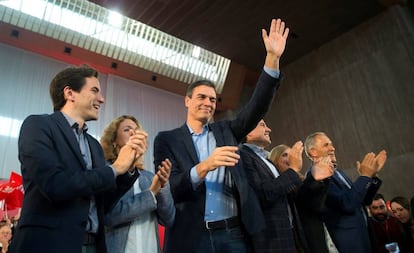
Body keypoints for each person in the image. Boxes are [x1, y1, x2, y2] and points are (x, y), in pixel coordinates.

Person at [153, 18, 289, 253]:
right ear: (187, 101)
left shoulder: (227, 130)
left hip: (234, 234)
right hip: (193, 236)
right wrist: (205, 166)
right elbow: (170, 188)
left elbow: (256, 107)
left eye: (213, 100)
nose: (208, 103)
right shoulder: (167, 139)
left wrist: (272, 60)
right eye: (202, 97)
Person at [8, 65, 147, 253]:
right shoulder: (38, 126)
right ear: (70, 93)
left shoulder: (94, 146)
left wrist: (128, 167)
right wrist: (115, 168)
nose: (102, 99)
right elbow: (54, 184)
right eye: (94, 90)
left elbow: (104, 203)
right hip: (48, 244)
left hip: (91, 245)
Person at [241, 120, 333, 252]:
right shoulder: (243, 156)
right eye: (262, 125)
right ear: (248, 131)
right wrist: (294, 169)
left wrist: (314, 177)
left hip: (292, 237)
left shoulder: (267, 162)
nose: (269, 129)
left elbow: (302, 200)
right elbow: (263, 195)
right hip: (271, 240)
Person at [101, 115, 175, 253]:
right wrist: (151, 194)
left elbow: (168, 219)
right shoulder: (107, 173)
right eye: (127, 129)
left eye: (136, 130)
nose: (133, 133)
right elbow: (109, 217)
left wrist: (163, 187)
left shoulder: (149, 177)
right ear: (114, 141)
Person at [304, 131, 387, 253]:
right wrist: (364, 177)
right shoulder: (316, 177)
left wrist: (371, 176)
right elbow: (347, 204)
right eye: (326, 145)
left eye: (331, 144)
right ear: (313, 152)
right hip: (348, 243)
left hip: (362, 238)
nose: (332, 148)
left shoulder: (338, 173)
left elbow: (361, 200)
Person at [269, 143, 337, 253]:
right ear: (275, 161)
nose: (290, 158)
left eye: (292, 155)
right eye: (285, 155)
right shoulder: (276, 186)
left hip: (317, 236)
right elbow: (302, 200)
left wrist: (322, 178)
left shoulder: (302, 180)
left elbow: (316, 205)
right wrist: (314, 179)